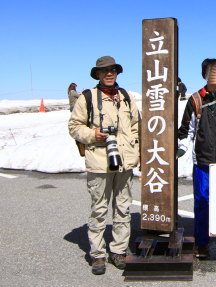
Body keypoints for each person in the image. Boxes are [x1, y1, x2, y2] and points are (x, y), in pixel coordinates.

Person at [68, 56, 140, 275]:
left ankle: (118, 250)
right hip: (99, 162)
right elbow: (74, 126)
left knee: (123, 207)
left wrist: (135, 152)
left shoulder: (126, 96)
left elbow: (136, 126)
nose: (109, 73)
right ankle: (98, 254)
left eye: (113, 70)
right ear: (97, 74)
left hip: (125, 162)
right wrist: (92, 134)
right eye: (104, 70)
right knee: (99, 209)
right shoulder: (87, 98)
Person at [177, 58, 216, 259]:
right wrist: (180, 149)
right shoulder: (195, 100)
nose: (213, 75)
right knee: (203, 201)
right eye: (209, 71)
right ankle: (202, 242)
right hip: (202, 161)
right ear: (204, 74)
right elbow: (187, 130)